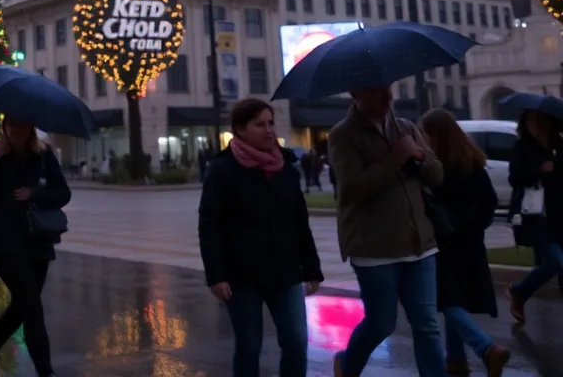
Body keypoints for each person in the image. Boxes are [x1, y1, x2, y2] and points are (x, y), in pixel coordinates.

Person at [328, 84, 448, 377]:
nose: (387, 96)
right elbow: (353, 189)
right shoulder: (343, 135)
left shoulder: (405, 127)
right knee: (381, 324)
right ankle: (348, 364)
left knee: (428, 325)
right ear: (356, 94)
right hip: (374, 248)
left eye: (388, 89)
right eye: (375, 91)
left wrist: (418, 155)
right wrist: (395, 158)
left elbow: (436, 175)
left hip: (420, 242)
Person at [199, 98, 322, 377]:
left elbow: (300, 223)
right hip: (242, 276)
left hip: (286, 272)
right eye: (260, 124)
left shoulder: (286, 169)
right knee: (249, 347)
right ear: (240, 130)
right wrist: (216, 276)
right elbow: (209, 226)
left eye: (270, 123)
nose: (268, 130)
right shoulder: (221, 171)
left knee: (296, 341)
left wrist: (312, 268)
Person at [0, 116, 70, 377]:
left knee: (26, 302)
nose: (16, 130)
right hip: (2, 240)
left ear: (31, 128)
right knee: (32, 305)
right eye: (10, 125)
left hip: (36, 238)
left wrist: (34, 194)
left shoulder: (43, 155)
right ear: (4, 127)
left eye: (22, 124)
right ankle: (46, 371)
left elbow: (63, 193)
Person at [419, 109, 510, 375]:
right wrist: (472, 226)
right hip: (470, 243)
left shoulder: (436, 169)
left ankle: (486, 348)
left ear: (435, 135)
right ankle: (456, 359)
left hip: (445, 244)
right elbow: (489, 203)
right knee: (455, 300)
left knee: (447, 300)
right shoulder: (473, 163)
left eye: (425, 134)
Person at [505, 108, 563, 323]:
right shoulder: (522, 147)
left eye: (540, 119)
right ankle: (520, 291)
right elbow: (514, 179)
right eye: (531, 120)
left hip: (559, 213)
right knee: (556, 261)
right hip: (536, 215)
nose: (536, 124)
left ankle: (520, 292)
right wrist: (540, 171)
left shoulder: (558, 144)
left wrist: (555, 165)